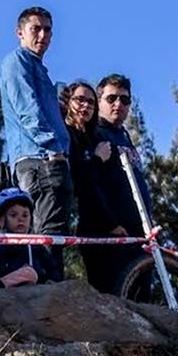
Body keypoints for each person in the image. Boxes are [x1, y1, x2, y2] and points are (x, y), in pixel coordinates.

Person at [0, 6, 72, 282]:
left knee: (54, 230)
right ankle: (51, 292)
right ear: (20, 33)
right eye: (35, 29)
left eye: (48, 29)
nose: (42, 35)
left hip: (46, 158)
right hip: (38, 159)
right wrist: (53, 148)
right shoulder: (17, 61)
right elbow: (26, 108)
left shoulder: (39, 69)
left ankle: (49, 286)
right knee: (48, 232)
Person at [60, 80, 126, 292]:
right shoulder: (65, 134)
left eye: (90, 102)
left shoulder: (94, 138)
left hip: (105, 222)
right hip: (89, 225)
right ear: (69, 102)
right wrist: (97, 159)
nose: (86, 106)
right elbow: (81, 181)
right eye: (80, 99)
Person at [92, 73, 153, 289]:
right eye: (111, 98)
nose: (118, 104)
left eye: (125, 99)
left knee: (142, 300)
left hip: (141, 234)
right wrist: (109, 223)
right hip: (112, 234)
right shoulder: (94, 133)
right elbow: (90, 183)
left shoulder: (124, 136)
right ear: (99, 101)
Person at [0, 188, 48, 289]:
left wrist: (50, 279)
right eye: (13, 215)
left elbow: (51, 266)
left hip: (36, 293)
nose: (20, 219)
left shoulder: (36, 245)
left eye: (25, 215)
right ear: (0, 220)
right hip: (7, 292)